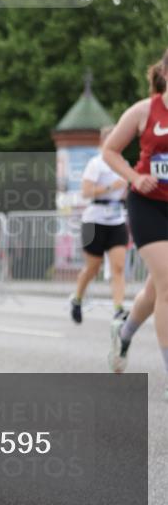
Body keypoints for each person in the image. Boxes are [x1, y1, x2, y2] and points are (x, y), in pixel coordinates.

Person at [104, 48, 168, 394]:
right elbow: (110, 150)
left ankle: (124, 331)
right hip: (148, 205)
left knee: (157, 287)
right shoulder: (145, 111)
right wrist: (133, 177)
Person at [69, 125, 129, 324]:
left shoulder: (123, 163)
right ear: (104, 141)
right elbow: (86, 191)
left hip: (117, 219)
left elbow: (127, 190)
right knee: (92, 268)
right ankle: (77, 299)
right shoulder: (96, 163)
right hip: (94, 221)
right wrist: (112, 187)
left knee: (118, 267)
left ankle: (119, 308)